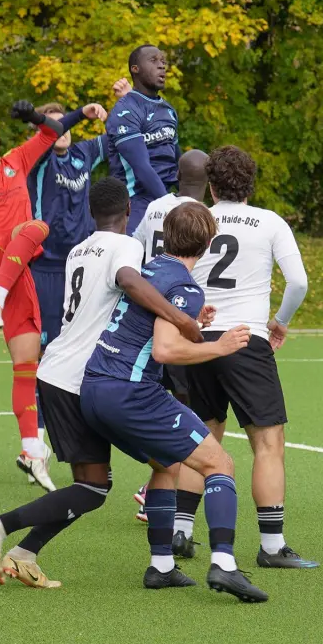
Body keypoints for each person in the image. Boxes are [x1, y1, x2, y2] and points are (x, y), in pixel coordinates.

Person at [0, 179, 208, 588]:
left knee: (120, 476)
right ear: (128, 209)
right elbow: (130, 281)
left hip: (59, 370)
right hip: (81, 378)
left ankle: (25, 554)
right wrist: (182, 317)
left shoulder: (80, 248)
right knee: (95, 487)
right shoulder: (126, 246)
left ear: (90, 211)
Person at [77, 202, 265, 601]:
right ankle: (224, 564)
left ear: (166, 237)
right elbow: (164, 350)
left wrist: (191, 320)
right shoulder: (185, 287)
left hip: (94, 386)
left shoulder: (152, 269)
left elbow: (149, 325)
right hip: (129, 391)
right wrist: (219, 346)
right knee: (219, 463)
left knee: (167, 465)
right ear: (208, 243)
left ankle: (161, 566)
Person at [0, 100, 105, 491]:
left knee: (27, 365)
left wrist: (34, 117)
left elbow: (52, 132)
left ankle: (31, 450)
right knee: (37, 227)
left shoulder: (16, 161)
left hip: (17, 271)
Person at [187, 146, 315, 569]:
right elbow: (298, 282)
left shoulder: (195, 217)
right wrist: (280, 321)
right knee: (268, 442)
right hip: (245, 339)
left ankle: (180, 533)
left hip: (197, 338)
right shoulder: (269, 221)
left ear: (211, 186)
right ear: (250, 185)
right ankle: (272, 546)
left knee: (200, 436)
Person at [128, 147, 209, 529]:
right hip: (182, 315)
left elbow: (137, 251)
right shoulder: (205, 215)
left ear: (177, 174)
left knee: (167, 402)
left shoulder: (156, 207)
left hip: (147, 313)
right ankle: (155, 490)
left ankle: (155, 487)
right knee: (183, 410)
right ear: (208, 181)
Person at [26, 102, 109, 349]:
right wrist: (80, 114)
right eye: (54, 125)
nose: (62, 130)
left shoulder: (84, 153)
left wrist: (119, 107)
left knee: (82, 339)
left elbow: (118, 137)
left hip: (82, 262)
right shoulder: (37, 159)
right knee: (46, 343)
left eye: (65, 124)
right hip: (46, 264)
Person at [105, 45, 181, 231]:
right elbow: (141, 167)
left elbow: (177, 163)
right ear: (135, 69)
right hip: (134, 202)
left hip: (165, 198)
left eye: (163, 61)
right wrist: (169, 205)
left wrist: (187, 200)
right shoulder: (126, 110)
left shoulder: (168, 110)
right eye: (153, 60)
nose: (162, 66)